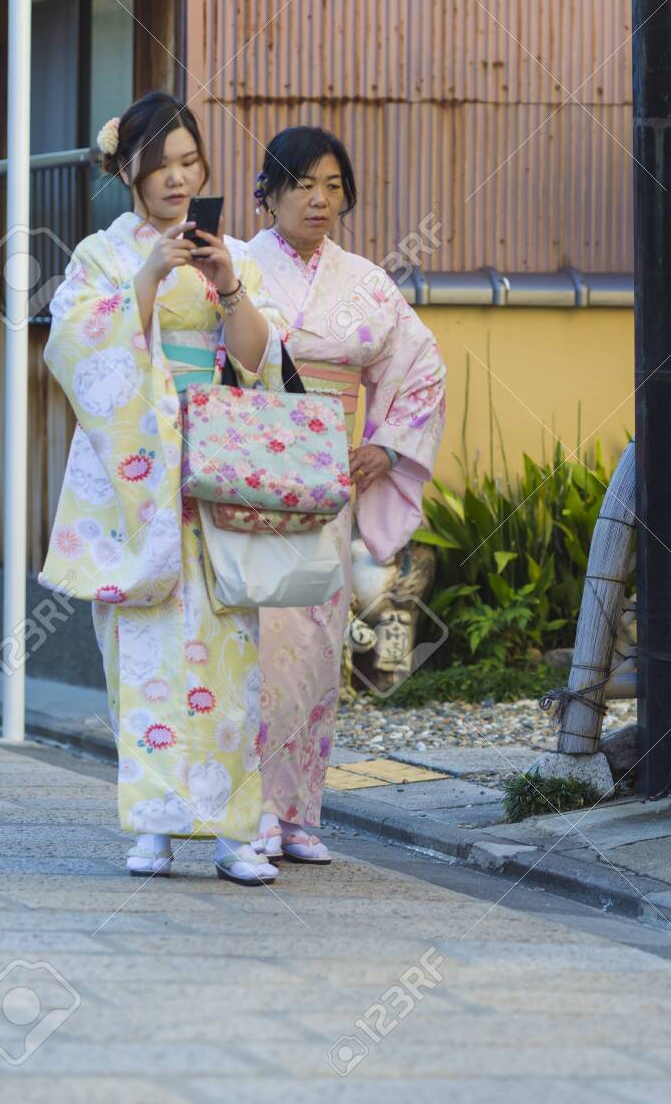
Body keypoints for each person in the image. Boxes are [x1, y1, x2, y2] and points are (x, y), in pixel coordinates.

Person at [39, 90, 285, 885]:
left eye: (190, 162)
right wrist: (145, 277)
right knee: (140, 656)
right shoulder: (102, 256)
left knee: (230, 656)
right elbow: (77, 355)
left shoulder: (234, 253)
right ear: (129, 174)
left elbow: (258, 362)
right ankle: (150, 825)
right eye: (162, 167)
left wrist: (228, 288)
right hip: (138, 476)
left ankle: (233, 831)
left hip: (212, 467)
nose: (180, 180)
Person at [246, 126, 446, 864]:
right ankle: (254, 808)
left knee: (317, 640)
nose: (319, 199)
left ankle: (300, 811)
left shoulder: (364, 281)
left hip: (326, 477)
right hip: (251, 473)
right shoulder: (238, 268)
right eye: (302, 184)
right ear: (265, 192)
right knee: (257, 636)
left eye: (333, 185)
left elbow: (422, 365)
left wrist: (387, 445)